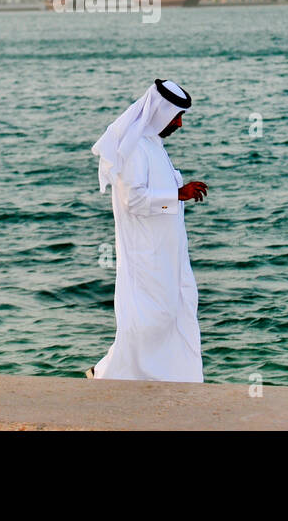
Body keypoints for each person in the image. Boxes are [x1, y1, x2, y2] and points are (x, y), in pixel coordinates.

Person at [88, 79, 208, 382]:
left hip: (166, 250)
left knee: (174, 312)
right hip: (146, 253)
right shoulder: (135, 147)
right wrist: (177, 196)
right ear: (160, 112)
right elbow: (134, 200)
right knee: (149, 319)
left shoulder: (153, 145)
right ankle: (106, 372)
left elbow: (157, 198)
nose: (180, 124)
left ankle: (169, 378)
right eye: (176, 116)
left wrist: (178, 194)